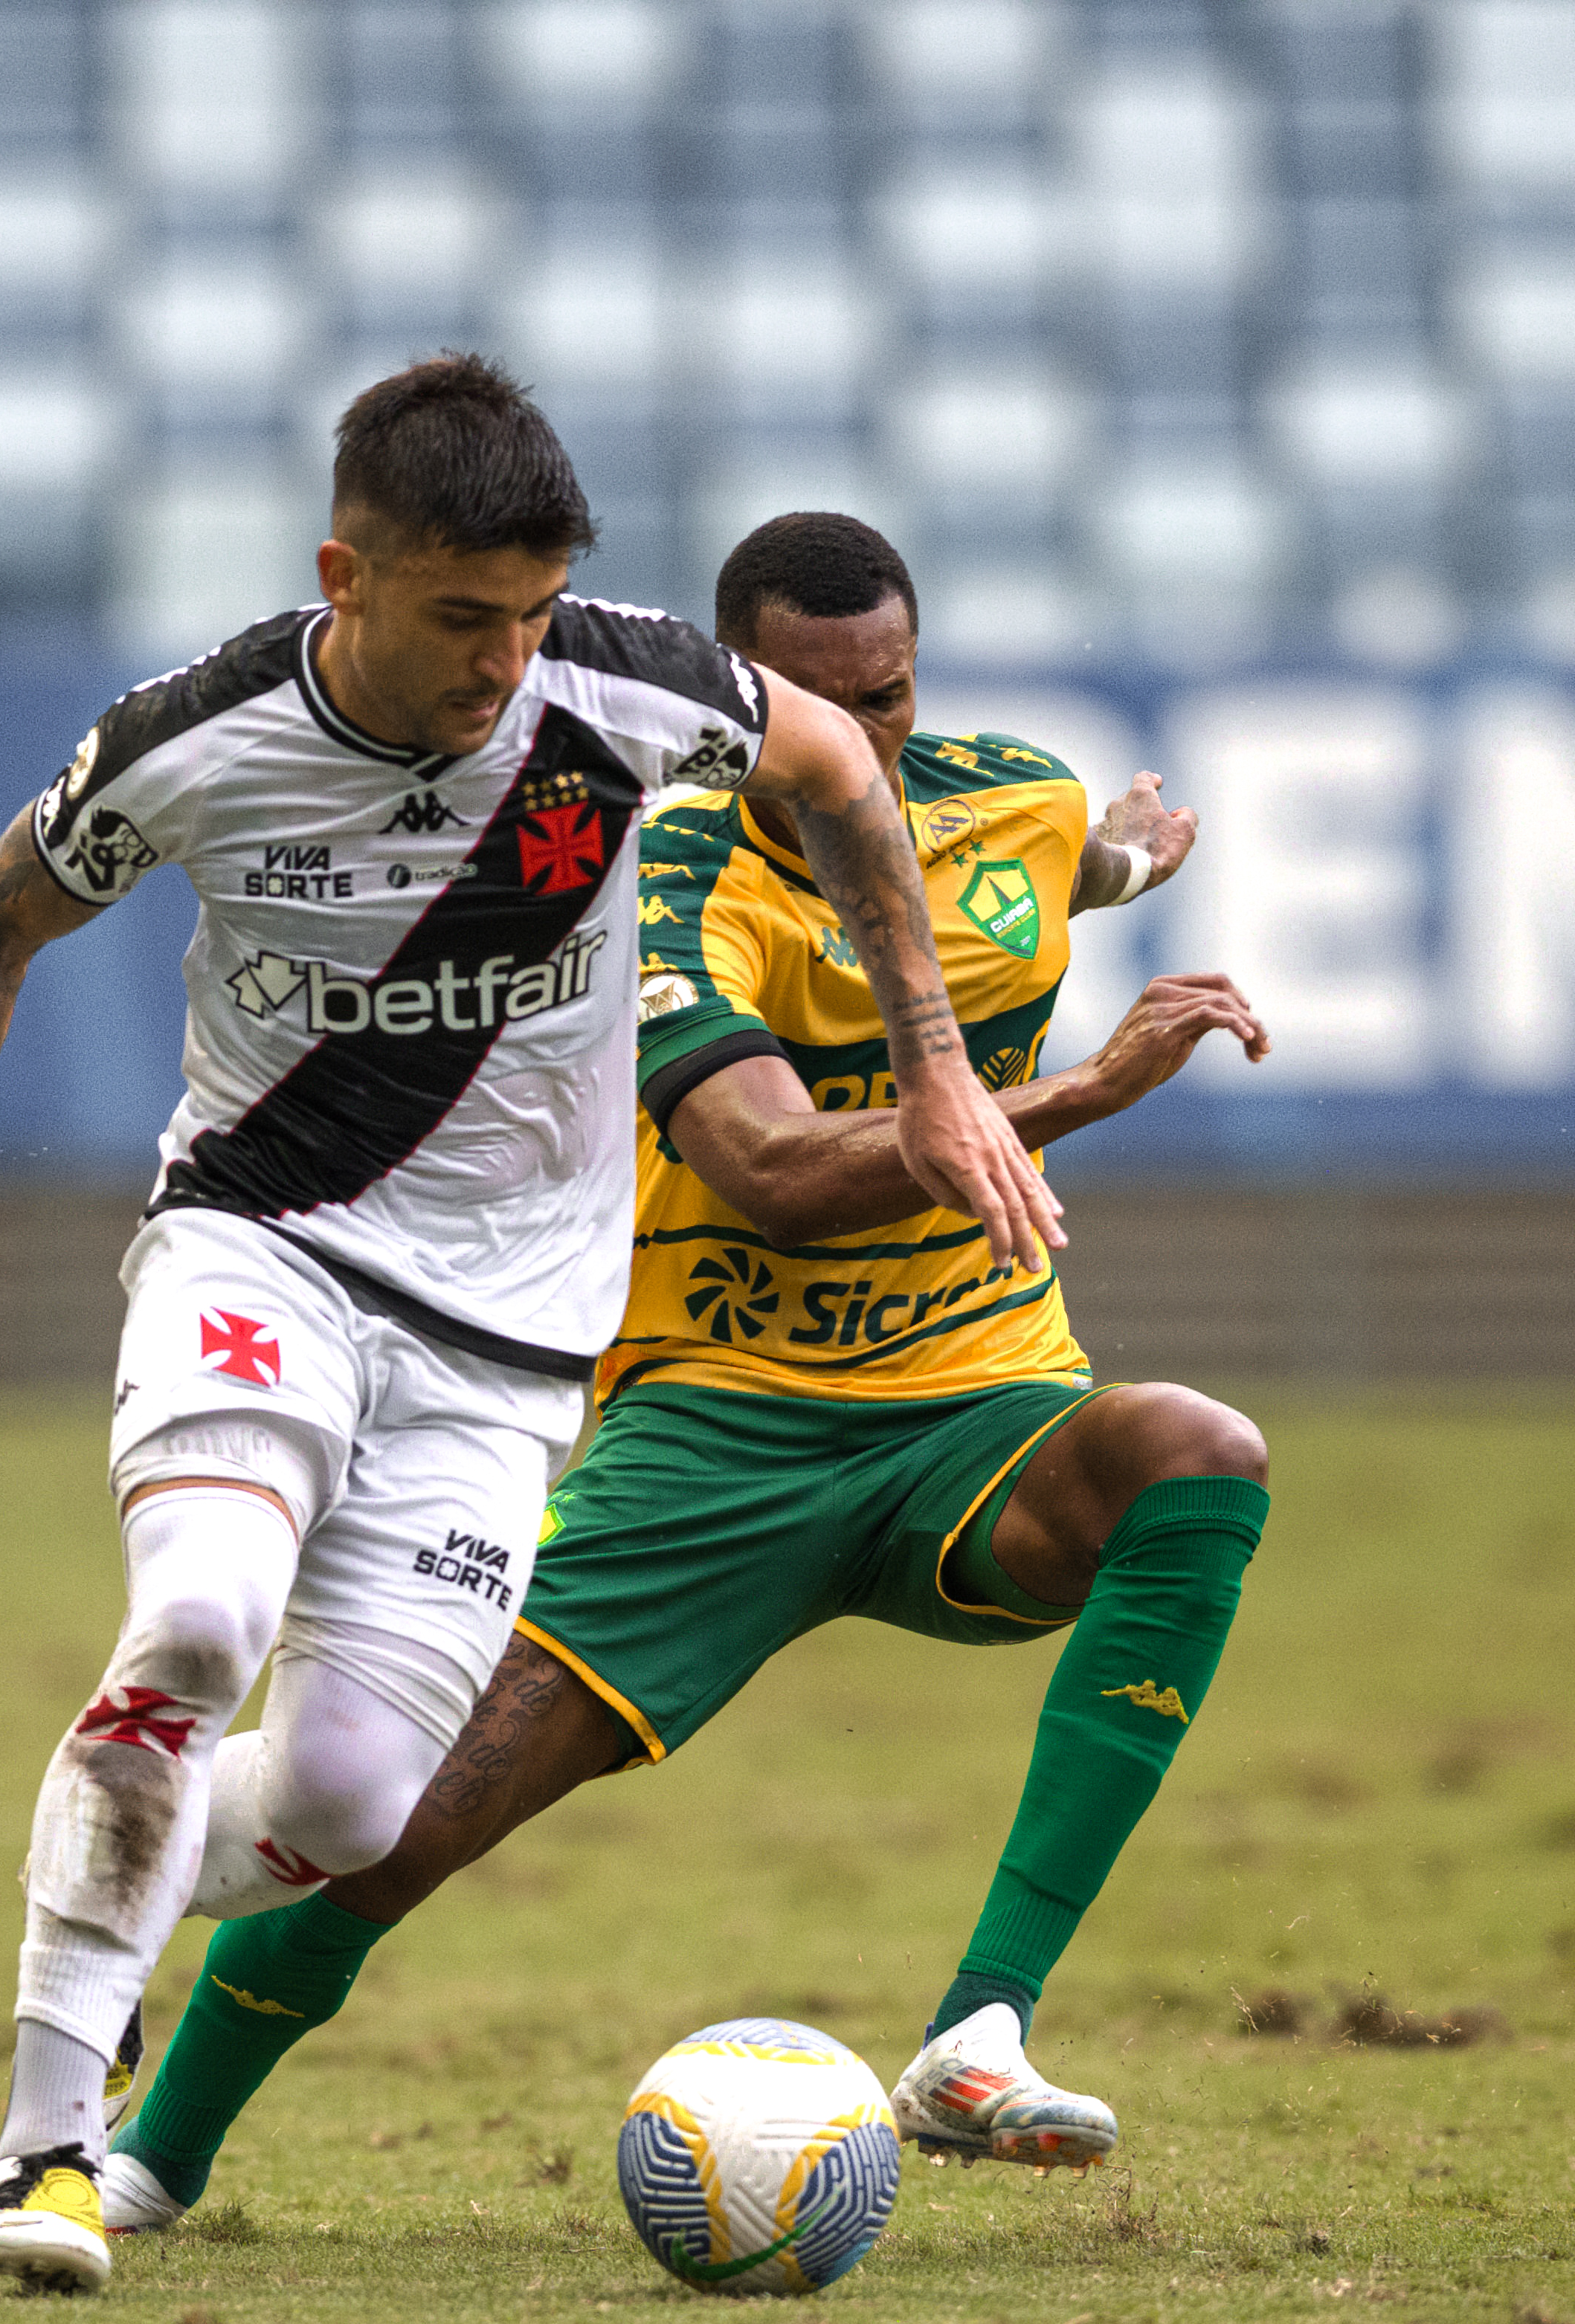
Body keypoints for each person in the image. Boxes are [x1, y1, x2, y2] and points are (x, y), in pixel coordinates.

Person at [0, 367, 1060, 2295]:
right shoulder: (199, 736)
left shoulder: (623, 688)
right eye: (464, 616)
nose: (508, 663)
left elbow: (838, 769)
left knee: (346, 1804)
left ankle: (116, 1876)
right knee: (200, 1622)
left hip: (506, 1346)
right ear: (347, 575)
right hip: (264, 1253)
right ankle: (45, 2151)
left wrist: (934, 1074)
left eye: (535, 612)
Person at [103, 511, 1272, 2232]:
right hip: (712, 1423)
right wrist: (1079, 1094)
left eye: (890, 697)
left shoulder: (1012, 794)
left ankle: (978, 2029)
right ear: (736, 700)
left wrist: (1113, 860)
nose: (860, 741)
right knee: (401, 1816)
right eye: (818, 706)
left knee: (1193, 1450)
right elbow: (774, 1171)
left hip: (977, 1404)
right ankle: (151, 2154)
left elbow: (1041, 874)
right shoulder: (657, 869)